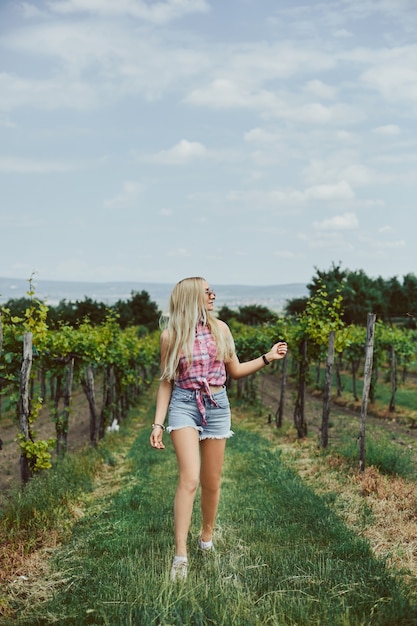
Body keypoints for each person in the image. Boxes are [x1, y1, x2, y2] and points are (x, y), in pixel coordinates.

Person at [150, 277, 288, 581]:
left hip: (216, 405)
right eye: (206, 291)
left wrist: (268, 357)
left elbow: (235, 371)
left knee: (211, 481)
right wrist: (158, 423)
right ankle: (180, 555)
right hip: (184, 404)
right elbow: (166, 382)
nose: (213, 294)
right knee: (190, 478)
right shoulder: (170, 336)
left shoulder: (220, 329)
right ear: (190, 298)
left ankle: (206, 538)